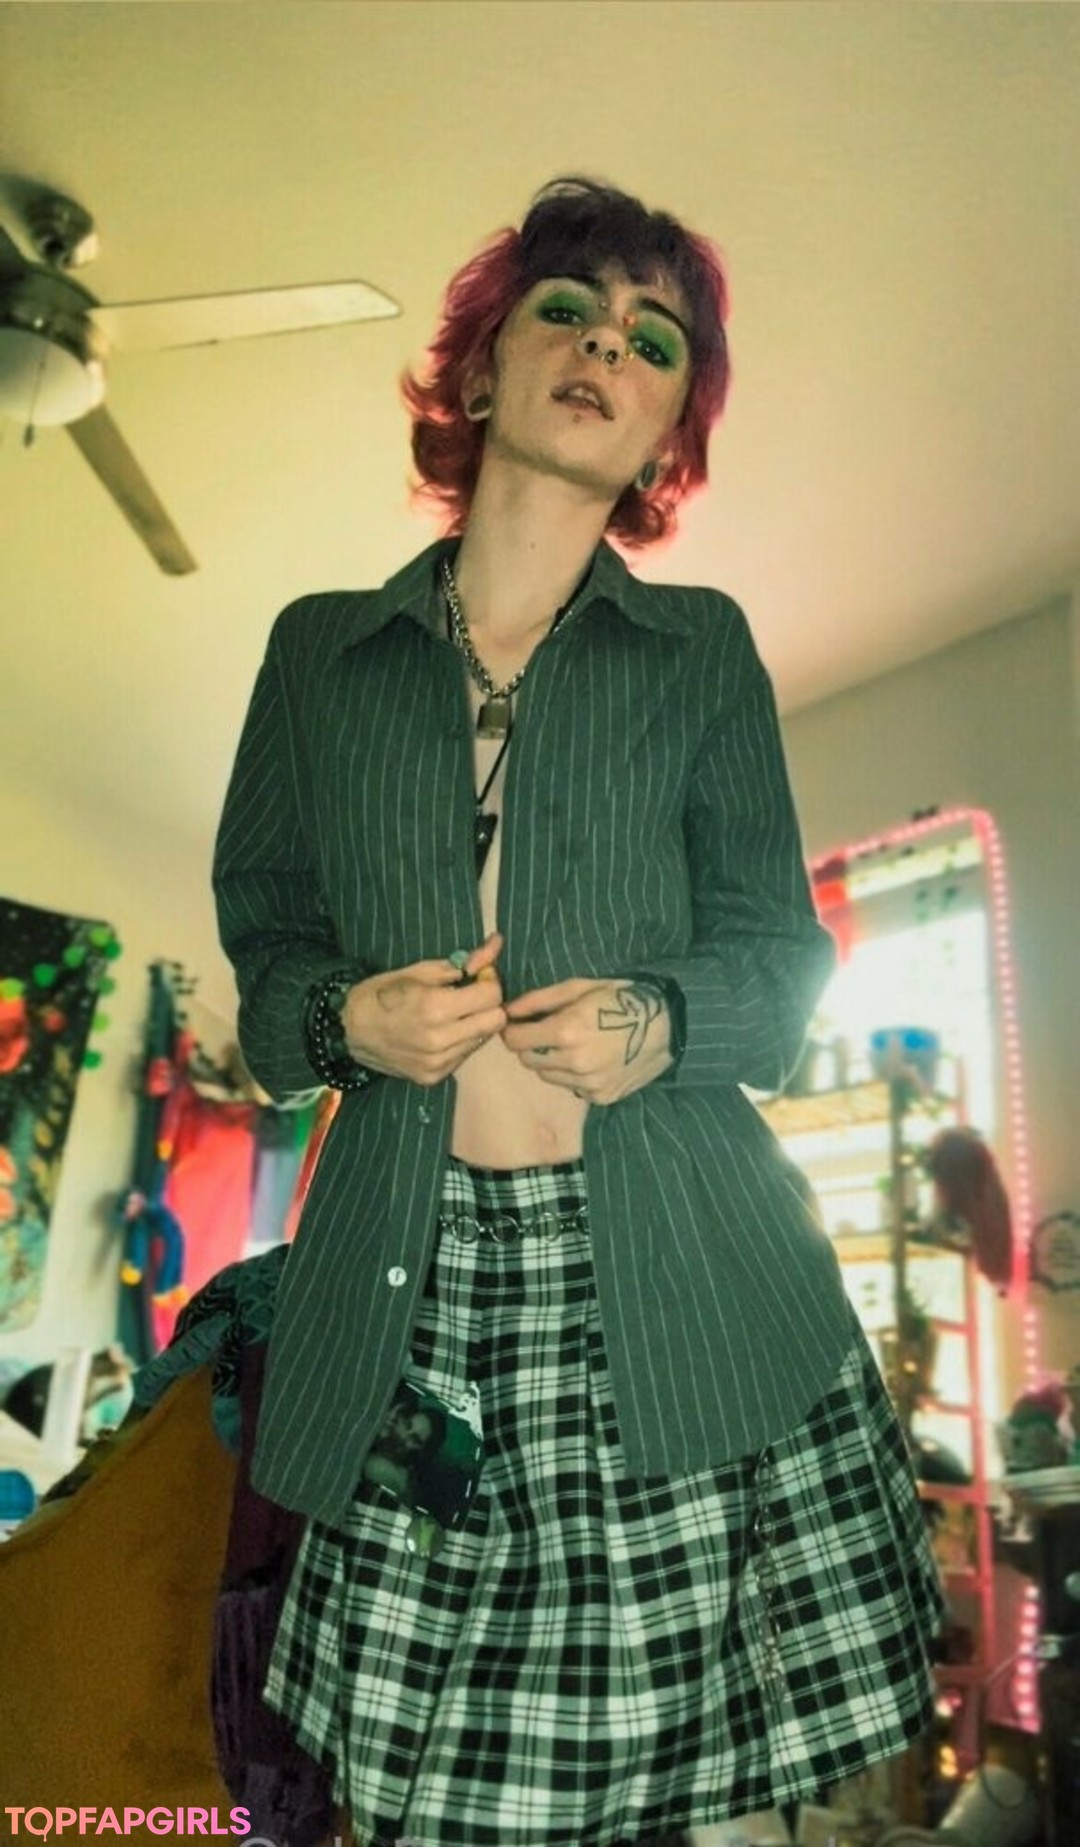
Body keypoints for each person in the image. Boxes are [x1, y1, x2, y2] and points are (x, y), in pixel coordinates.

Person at [213, 177, 942, 1847]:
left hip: (680, 1273)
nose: (607, 347)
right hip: (408, 1291)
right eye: (569, 311)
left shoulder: (699, 651)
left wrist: (666, 1020)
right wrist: (345, 1025)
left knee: (671, 1798)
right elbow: (266, 968)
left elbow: (782, 961)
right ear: (481, 370)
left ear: (668, 433)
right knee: (435, 1802)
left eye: (652, 340)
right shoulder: (318, 654)